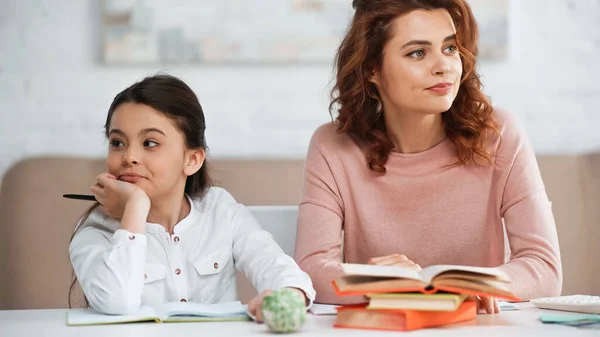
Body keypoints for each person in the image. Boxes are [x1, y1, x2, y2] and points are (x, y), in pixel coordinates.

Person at [294, 0, 561, 314]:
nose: (444, 66)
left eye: (449, 48)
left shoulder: (499, 134)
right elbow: (309, 270)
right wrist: (376, 279)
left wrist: (479, 281)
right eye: (417, 53)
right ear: (372, 71)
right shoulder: (332, 147)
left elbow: (544, 268)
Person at [69, 74, 315, 321]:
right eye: (117, 142)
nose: (129, 156)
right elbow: (116, 302)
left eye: (150, 143)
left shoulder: (220, 210)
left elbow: (276, 266)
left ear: (192, 160)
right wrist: (135, 207)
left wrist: (290, 295)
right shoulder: (95, 231)